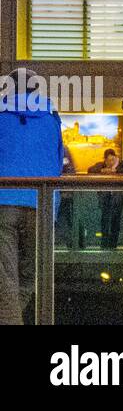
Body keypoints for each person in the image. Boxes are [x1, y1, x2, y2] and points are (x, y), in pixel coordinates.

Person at [0, 69, 65, 325]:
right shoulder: (51, 117)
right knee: (31, 274)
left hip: (3, 202)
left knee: (6, 277)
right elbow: (58, 161)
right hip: (42, 203)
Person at [88, 149, 123, 250]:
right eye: (108, 161)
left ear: (115, 158)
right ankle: (104, 244)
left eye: (112, 160)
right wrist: (102, 170)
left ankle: (113, 245)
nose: (110, 163)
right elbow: (90, 170)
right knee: (105, 219)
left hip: (118, 198)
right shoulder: (101, 165)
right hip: (105, 197)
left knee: (116, 220)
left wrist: (115, 170)